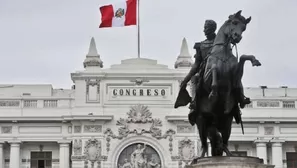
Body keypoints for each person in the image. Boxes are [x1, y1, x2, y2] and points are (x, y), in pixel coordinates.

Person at [179, 19, 218, 126]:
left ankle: (240, 97)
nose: (204, 30)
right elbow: (196, 65)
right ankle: (194, 103)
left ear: (212, 29)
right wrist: (186, 79)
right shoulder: (201, 45)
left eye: (206, 28)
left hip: (219, 69)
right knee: (195, 79)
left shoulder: (220, 43)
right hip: (205, 70)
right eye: (204, 28)